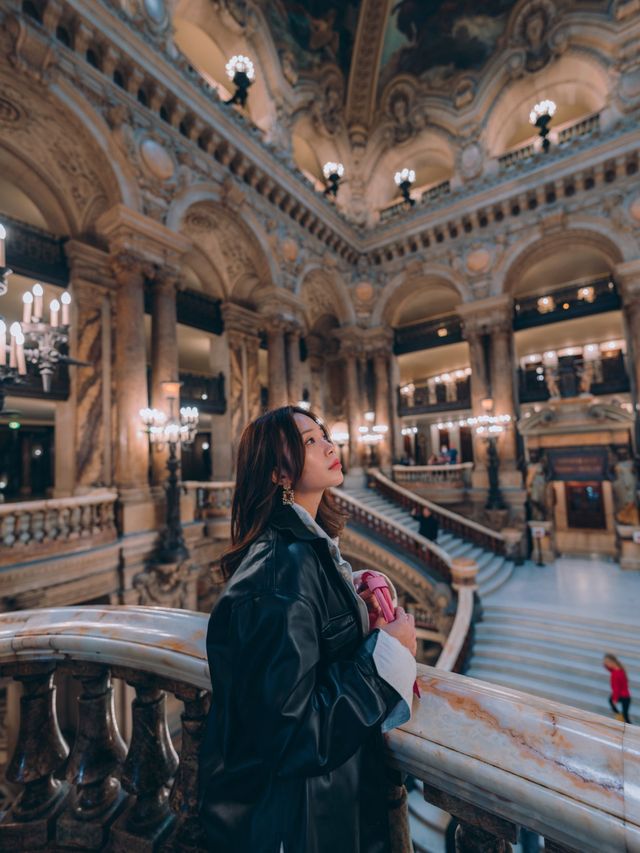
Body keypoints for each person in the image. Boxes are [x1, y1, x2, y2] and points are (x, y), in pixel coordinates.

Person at [199, 405, 418, 852]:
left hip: (322, 808)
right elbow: (294, 732)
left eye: (324, 435)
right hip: (296, 825)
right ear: (279, 472)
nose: (330, 446)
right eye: (309, 442)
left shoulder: (304, 551)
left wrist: (345, 600)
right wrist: (387, 657)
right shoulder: (281, 574)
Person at [604, 653, 632, 723]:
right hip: (626, 696)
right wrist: (605, 664)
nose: (606, 665)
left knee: (625, 716)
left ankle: (620, 716)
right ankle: (619, 715)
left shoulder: (615, 674)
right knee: (625, 714)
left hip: (623, 696)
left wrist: (615, 699)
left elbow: (617, 689)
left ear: (612, 662)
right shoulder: (620, 670)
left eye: (607, 663)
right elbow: (608, 668)